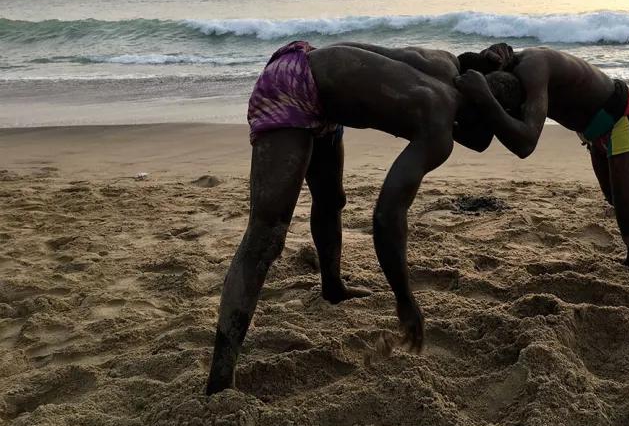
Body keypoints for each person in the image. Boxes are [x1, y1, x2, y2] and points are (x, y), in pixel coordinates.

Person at [206, 40, 522, 394]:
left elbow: (470, 70)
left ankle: (333, 287)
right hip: (292, 85)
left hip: (323, 85)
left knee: (331, 199)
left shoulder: (448, 64)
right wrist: (404, 298)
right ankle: (220, 380)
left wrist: (494, 57)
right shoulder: (437, 119)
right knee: (265, 238)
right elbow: (387, 215)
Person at [455, 44, 629, 324]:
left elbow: (525, 144)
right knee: (618, 201)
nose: (509, 107)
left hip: (625, 118)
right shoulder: (508, 76)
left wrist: (486, 98)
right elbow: (480, 141)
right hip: (595, 130)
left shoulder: (533, 67)